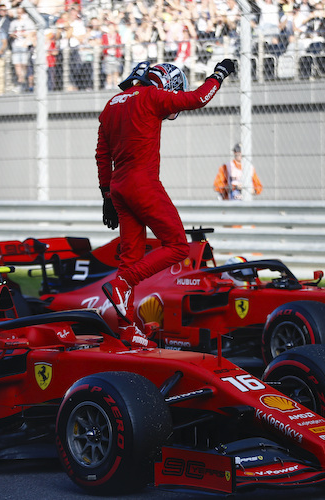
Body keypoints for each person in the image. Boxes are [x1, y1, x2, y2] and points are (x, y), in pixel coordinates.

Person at [96, 58, 236, 347]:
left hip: (119, 189)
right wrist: (218, 75)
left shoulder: (111, 104)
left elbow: (102, 154)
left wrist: (106, 194)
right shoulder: (152, 96)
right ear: (168, 83)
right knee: (177, 245)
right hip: (143, 185)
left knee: (130, 258)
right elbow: (198, 98)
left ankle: (127, 331)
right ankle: (122, 284)